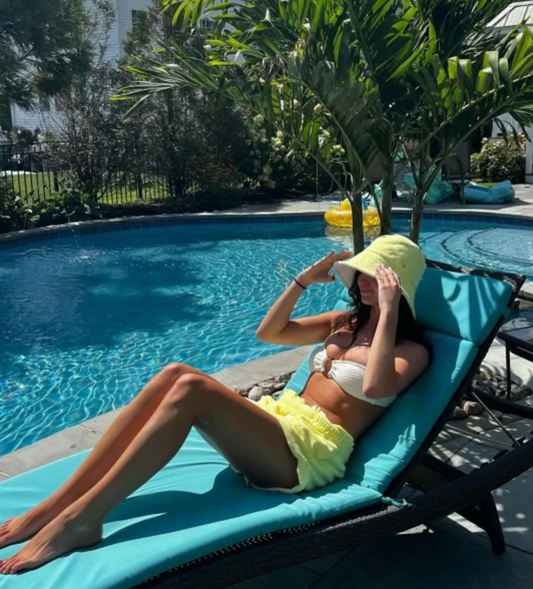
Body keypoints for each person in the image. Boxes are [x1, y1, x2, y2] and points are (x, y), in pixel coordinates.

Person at [0, 234, 429, 574]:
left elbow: (375, 387)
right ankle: (55, 504)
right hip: (277, 424)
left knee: (191, 389)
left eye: (378, 276)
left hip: (305, 456)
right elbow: (270, 333)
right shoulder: (342, 322)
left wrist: (388, 311)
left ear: (398, 285)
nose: (365, 280)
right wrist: (301, 281)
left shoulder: (412, 351)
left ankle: (82, 520)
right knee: (174, 372)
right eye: (362, 272)